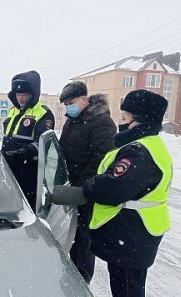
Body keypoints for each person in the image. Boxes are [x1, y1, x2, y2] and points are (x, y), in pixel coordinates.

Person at [82, 89, 173, 297]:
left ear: (140, 120)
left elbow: (114, 188)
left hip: (134, 230)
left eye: (126, 116)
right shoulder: (145, 145)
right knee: (126, 283)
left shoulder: (140, 151)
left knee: (127, 285)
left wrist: (91, 185)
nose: (121, 121)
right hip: (138, 228)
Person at [58, 81, 116, 284]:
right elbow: (63, 153)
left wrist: (80, 188)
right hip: (70, 190)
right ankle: (69, 275)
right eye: (65, 104)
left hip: (86, 193)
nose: (68, 107)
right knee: (69, 235)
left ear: (84, 99)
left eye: (71, 102)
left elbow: (101, 159)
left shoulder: (102, 122)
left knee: (83, 240)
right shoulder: (72, 122)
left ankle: (81, 282)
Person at [1, 70, 55, 208]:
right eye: (18, 95)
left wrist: (23, 153)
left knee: (25, 208)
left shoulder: (43, 113)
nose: (21, 98)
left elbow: (43, 143)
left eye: (25, 94)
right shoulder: (13, 111)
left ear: (33, 94)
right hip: (8, 169)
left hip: (28, 172)